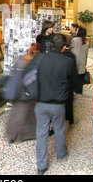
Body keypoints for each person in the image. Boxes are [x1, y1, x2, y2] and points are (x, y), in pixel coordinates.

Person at [25, 33, 75, 174]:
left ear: (51, 44)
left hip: (41, 102)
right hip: (58, 103)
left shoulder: (40, 58)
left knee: (41, 133)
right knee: (59, 129)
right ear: (64, 47)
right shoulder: (68, 62)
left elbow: (27, 74)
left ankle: (41, 166)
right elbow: (71, 81)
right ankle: (61, 153)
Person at [5, 43, 40, 143]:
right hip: (25, 91)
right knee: (24, 112)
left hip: (17, 90)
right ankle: (19, 135)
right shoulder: (32, 61)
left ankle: (12, 134)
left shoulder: (22, 59)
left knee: (17, 111)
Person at [69, 27, 89, 96]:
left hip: (75, 61)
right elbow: (86, 54)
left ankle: (74, 90)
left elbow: (69, 48)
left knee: (74, 77)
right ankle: (79, 92)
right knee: (80, 78)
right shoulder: (86, 42)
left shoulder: (74, 40)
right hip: (82, 62)